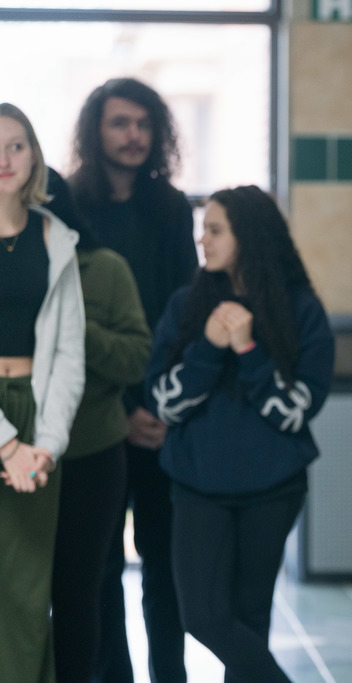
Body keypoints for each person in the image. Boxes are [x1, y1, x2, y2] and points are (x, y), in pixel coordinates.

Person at [145, 185, 334, 681]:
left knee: (251, 621)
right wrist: (208, 348)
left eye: (214, 229)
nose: (201, 240)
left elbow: (294, 412)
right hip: (196, 487)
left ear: (248, 236)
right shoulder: (188, 304)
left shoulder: (302, 309)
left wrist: (248, 350)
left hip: (272, 489)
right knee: (202, 617)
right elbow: (163, 403)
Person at [68, 76, 197, 683]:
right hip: (92, 413)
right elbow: (67, 323)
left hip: (161, 414)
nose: (134, 135)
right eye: (120, 123)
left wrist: (162, 408)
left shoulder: (171, 207)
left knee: (164, 562)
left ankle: (169, 674)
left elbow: (185, 313)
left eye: (144, 124)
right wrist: (120, 407)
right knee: (95, 570)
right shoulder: (68, 204)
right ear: (97, 131)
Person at [47, 167, 152, 683]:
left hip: (92, 455)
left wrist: (77, 325)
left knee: (80, 596)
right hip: (12, 452)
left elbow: (136, 359)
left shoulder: (106, 269)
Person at [0, 103, 86, 682]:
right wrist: (6, 445)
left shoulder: (57, 239)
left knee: (28, 594)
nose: (4, 159)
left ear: (34, 157)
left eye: (16, 145)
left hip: (35, 411)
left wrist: (44, 444)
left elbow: (69, 353)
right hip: (8, 433)